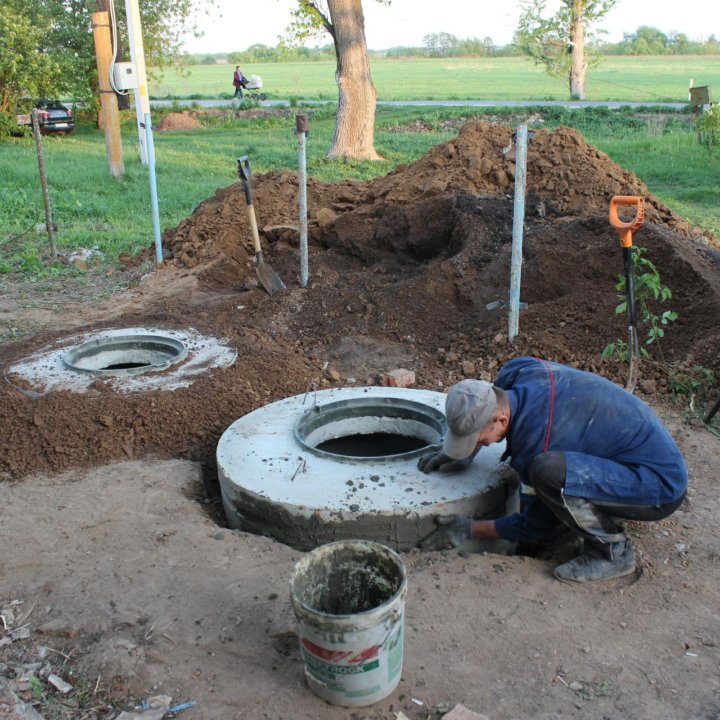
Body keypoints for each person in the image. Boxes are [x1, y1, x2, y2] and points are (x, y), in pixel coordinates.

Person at [417, 357, 688, 585]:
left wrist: (470, 529)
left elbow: (536, 525)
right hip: (634, 444)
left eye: (478, 438)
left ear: (501, 419)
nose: (477, 444)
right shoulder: (519, 371)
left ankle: (612, 553)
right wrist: (464, 452)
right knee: (555, 471)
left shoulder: (537, 446)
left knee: (551, 473)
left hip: (657, 484)